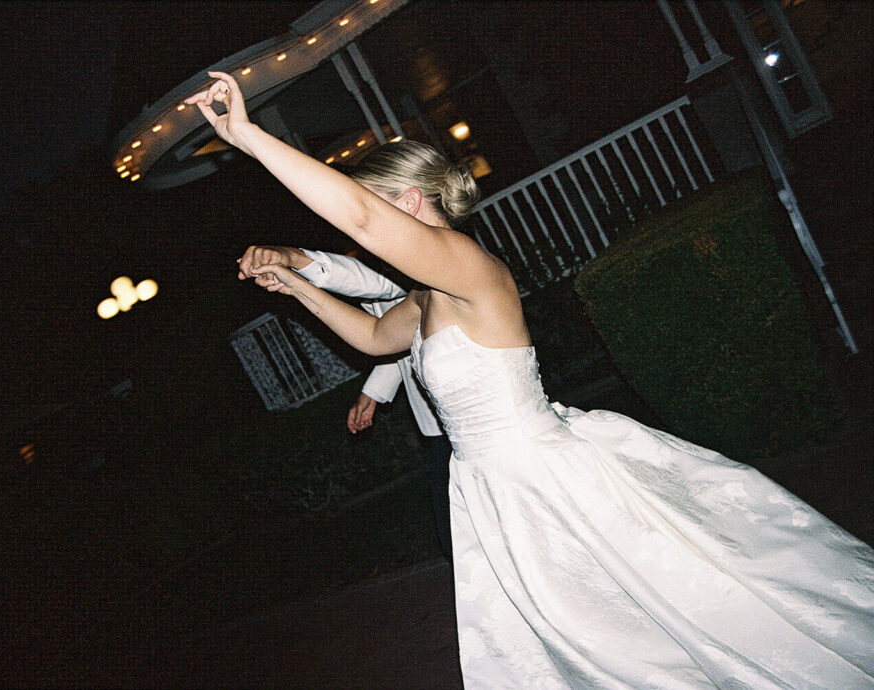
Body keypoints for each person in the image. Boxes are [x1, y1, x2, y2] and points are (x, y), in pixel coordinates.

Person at [193, 72, 874, 688]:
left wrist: (249, 137)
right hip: (490, 485)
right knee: (582, 633)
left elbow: (363, 218)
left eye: (370, 214)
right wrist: (296, 288)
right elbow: (372, 337)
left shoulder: (466, 265)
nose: (362, 236)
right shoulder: (428, 297)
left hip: (544, 477)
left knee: (658, 615)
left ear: (409, 200)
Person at [237, 245, 453, 558]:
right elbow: (393, 337)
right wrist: (373, 393)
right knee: (455, 536)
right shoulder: (386, 278)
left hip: (468, 419)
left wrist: (293, 259)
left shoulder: (411, 263)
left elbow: (374, 282)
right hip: (437, 423)